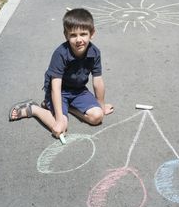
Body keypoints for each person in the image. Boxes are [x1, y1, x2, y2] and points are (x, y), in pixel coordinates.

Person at [9, 8, 114, 139]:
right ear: (66, 35)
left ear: (92, 33)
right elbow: (56, 87)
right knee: (60, 128)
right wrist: (59, 119)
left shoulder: (95, 52)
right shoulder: (61, 54)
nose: (79, 39)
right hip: (58, 91)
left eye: (83, 34)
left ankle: (67, 108)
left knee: (97, 117)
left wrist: (101, 105)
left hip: (78, 90)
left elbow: (98, 81)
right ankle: (34, 109)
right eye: (73, 35)